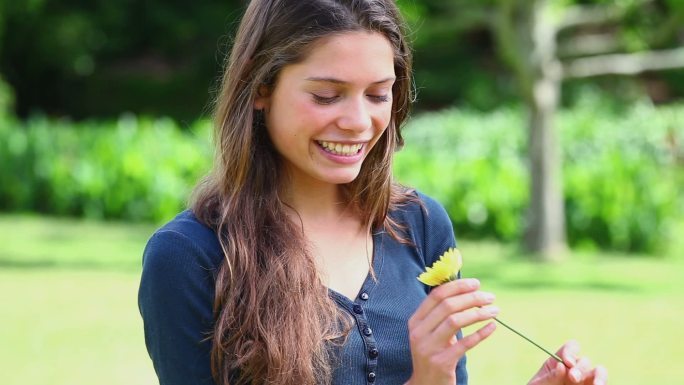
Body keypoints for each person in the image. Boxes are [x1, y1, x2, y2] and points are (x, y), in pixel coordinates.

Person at [138, 1, 609, 384]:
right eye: (327, 95)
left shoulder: (420, 224)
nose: (359, 122)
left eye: (378, 94)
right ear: (260, 88)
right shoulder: (189, 257)